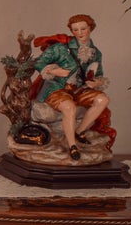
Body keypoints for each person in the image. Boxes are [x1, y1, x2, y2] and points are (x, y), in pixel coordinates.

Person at [33, 13, 111, 158]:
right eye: (75, 30)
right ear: (71, 31)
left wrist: (96, 82)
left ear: (91, 28)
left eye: (83, 29)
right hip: (57, 89)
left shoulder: (95, 53)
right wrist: (54, 70)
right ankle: (72, 145)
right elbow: (38, 63)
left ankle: (79, 131)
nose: (79, 33)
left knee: (103, 99)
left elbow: (99, 74)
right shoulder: (61, 48)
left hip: (80, 89)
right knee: (69, 107)